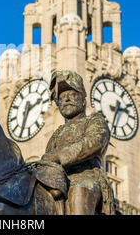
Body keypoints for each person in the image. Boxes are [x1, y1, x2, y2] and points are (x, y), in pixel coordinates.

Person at [41, 70, 116, 215]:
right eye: (62, 97)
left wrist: (59, 156)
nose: (67, 99)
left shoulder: (94, 120)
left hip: (86, 177)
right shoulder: (56, 134)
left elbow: (94, 142)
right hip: (57, 181)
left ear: (83, 101)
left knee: (78, 191)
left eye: (73, 94)